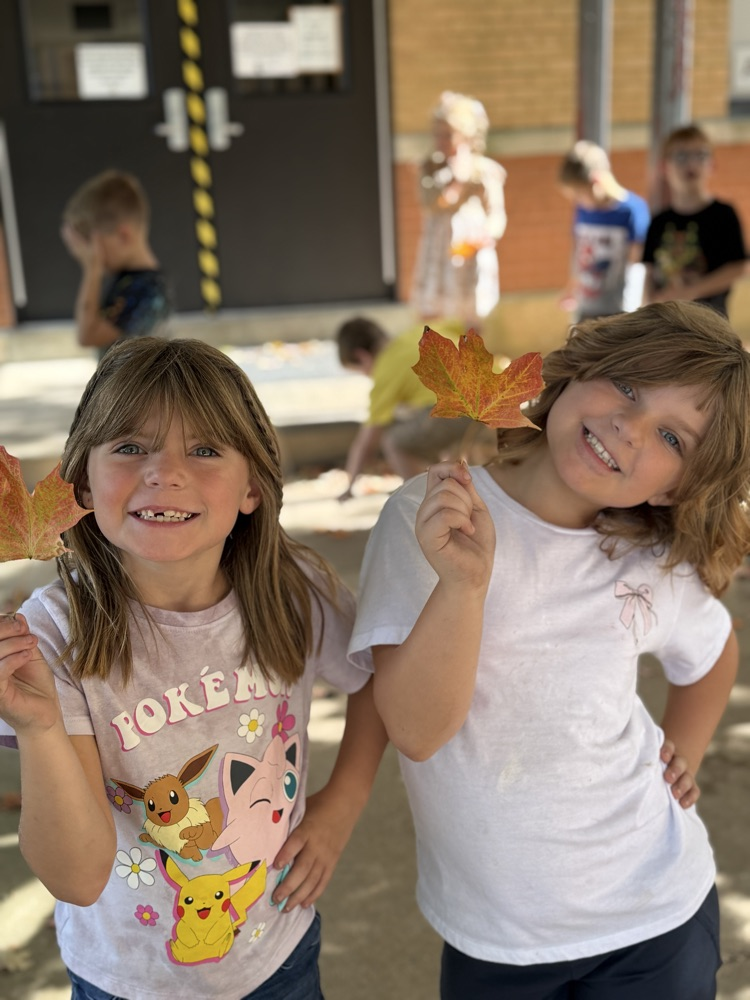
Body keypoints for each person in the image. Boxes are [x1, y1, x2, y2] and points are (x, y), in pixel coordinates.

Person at [348, 300, 750, 999]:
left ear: (678, 488)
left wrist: (682, 751)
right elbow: (414, 731)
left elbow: (712, 655)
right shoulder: (430, 515)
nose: (628, 426)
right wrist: (464, 586)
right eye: (627, 385)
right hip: (497, 937)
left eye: (673, 438)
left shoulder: (649, 561)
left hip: (658, 918)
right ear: (575, 372)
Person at [0, 337, 386, 1000]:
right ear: (82, 481)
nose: (165, 472)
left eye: (205, 449)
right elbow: (79, 875)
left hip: (279, 956)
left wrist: (342, 805)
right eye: (129, 446)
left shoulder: (291, 590)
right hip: (127, 980)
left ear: (253, 488)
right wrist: (38, 730)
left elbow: (376, 677)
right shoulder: (54, 635)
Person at [336, 316, 492, 501]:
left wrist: (349, 486)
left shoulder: (384, 371)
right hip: (490, 392)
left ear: (362, 356)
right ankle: (452, 486)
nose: (366, 375)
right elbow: (471, 325)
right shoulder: (418, 332)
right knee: (433, 428)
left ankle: (422, 499)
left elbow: (367, 441)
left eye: (361, 371)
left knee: (394, 440)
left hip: (460, 408)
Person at [411, 91, 507, 331]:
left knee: (470, 322)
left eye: (447, 135)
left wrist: (489, 234)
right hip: (438, 253)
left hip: (469, 256)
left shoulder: (484, 171)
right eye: (437, 135)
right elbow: (432, 203)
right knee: (432, 320)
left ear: (465, 136)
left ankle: (469, 366)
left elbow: (497, 213)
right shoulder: (430, 169)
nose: (440, 141)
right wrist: (459, 181)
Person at [61, 169, 172, 358]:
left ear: (123, 236)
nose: (92, 256)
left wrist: (92, 269)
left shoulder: (149, 289)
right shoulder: (127, 279)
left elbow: (87, 335)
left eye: (95, 248)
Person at [642, 123, 747, 317]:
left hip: (710, 321)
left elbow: (740, 266)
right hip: (666, 321)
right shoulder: (659, 221)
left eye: (700, 155)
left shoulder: (723, 214)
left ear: (712, 165)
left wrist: (691, 291)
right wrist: (647, 308)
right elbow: (649, 272)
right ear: (664, 167)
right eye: (681, 156)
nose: (691, 164)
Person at [559, 140, 651, 319]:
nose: (577, 201)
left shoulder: (632, 210)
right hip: (587, 303)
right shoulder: (583, 210)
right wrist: (572, 286)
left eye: (579, 193)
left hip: (619, 306)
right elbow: (579, 251)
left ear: (596, 181)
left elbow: (637, 260)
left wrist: (636, 305)